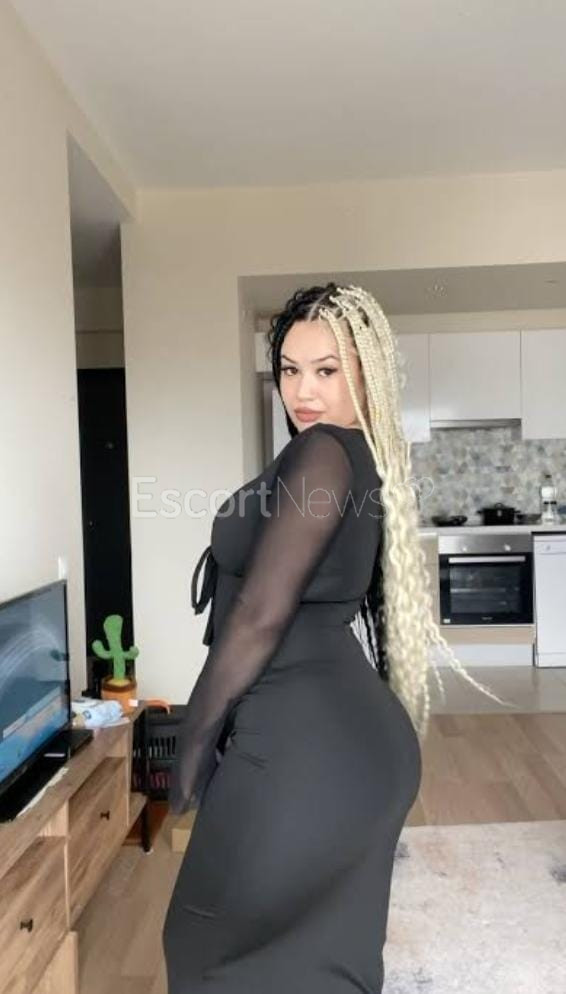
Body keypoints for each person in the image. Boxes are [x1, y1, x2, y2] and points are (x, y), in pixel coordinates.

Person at [162, 283, 510, 992]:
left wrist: (190, 744)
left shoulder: (322, 453)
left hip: (306, 752)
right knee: (320, 960)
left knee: (200, 945)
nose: (304, 391)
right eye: (290, 370)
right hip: (347, 749)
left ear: (366, 372)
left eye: (327, 369)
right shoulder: (358, 457)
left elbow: (260, 614)